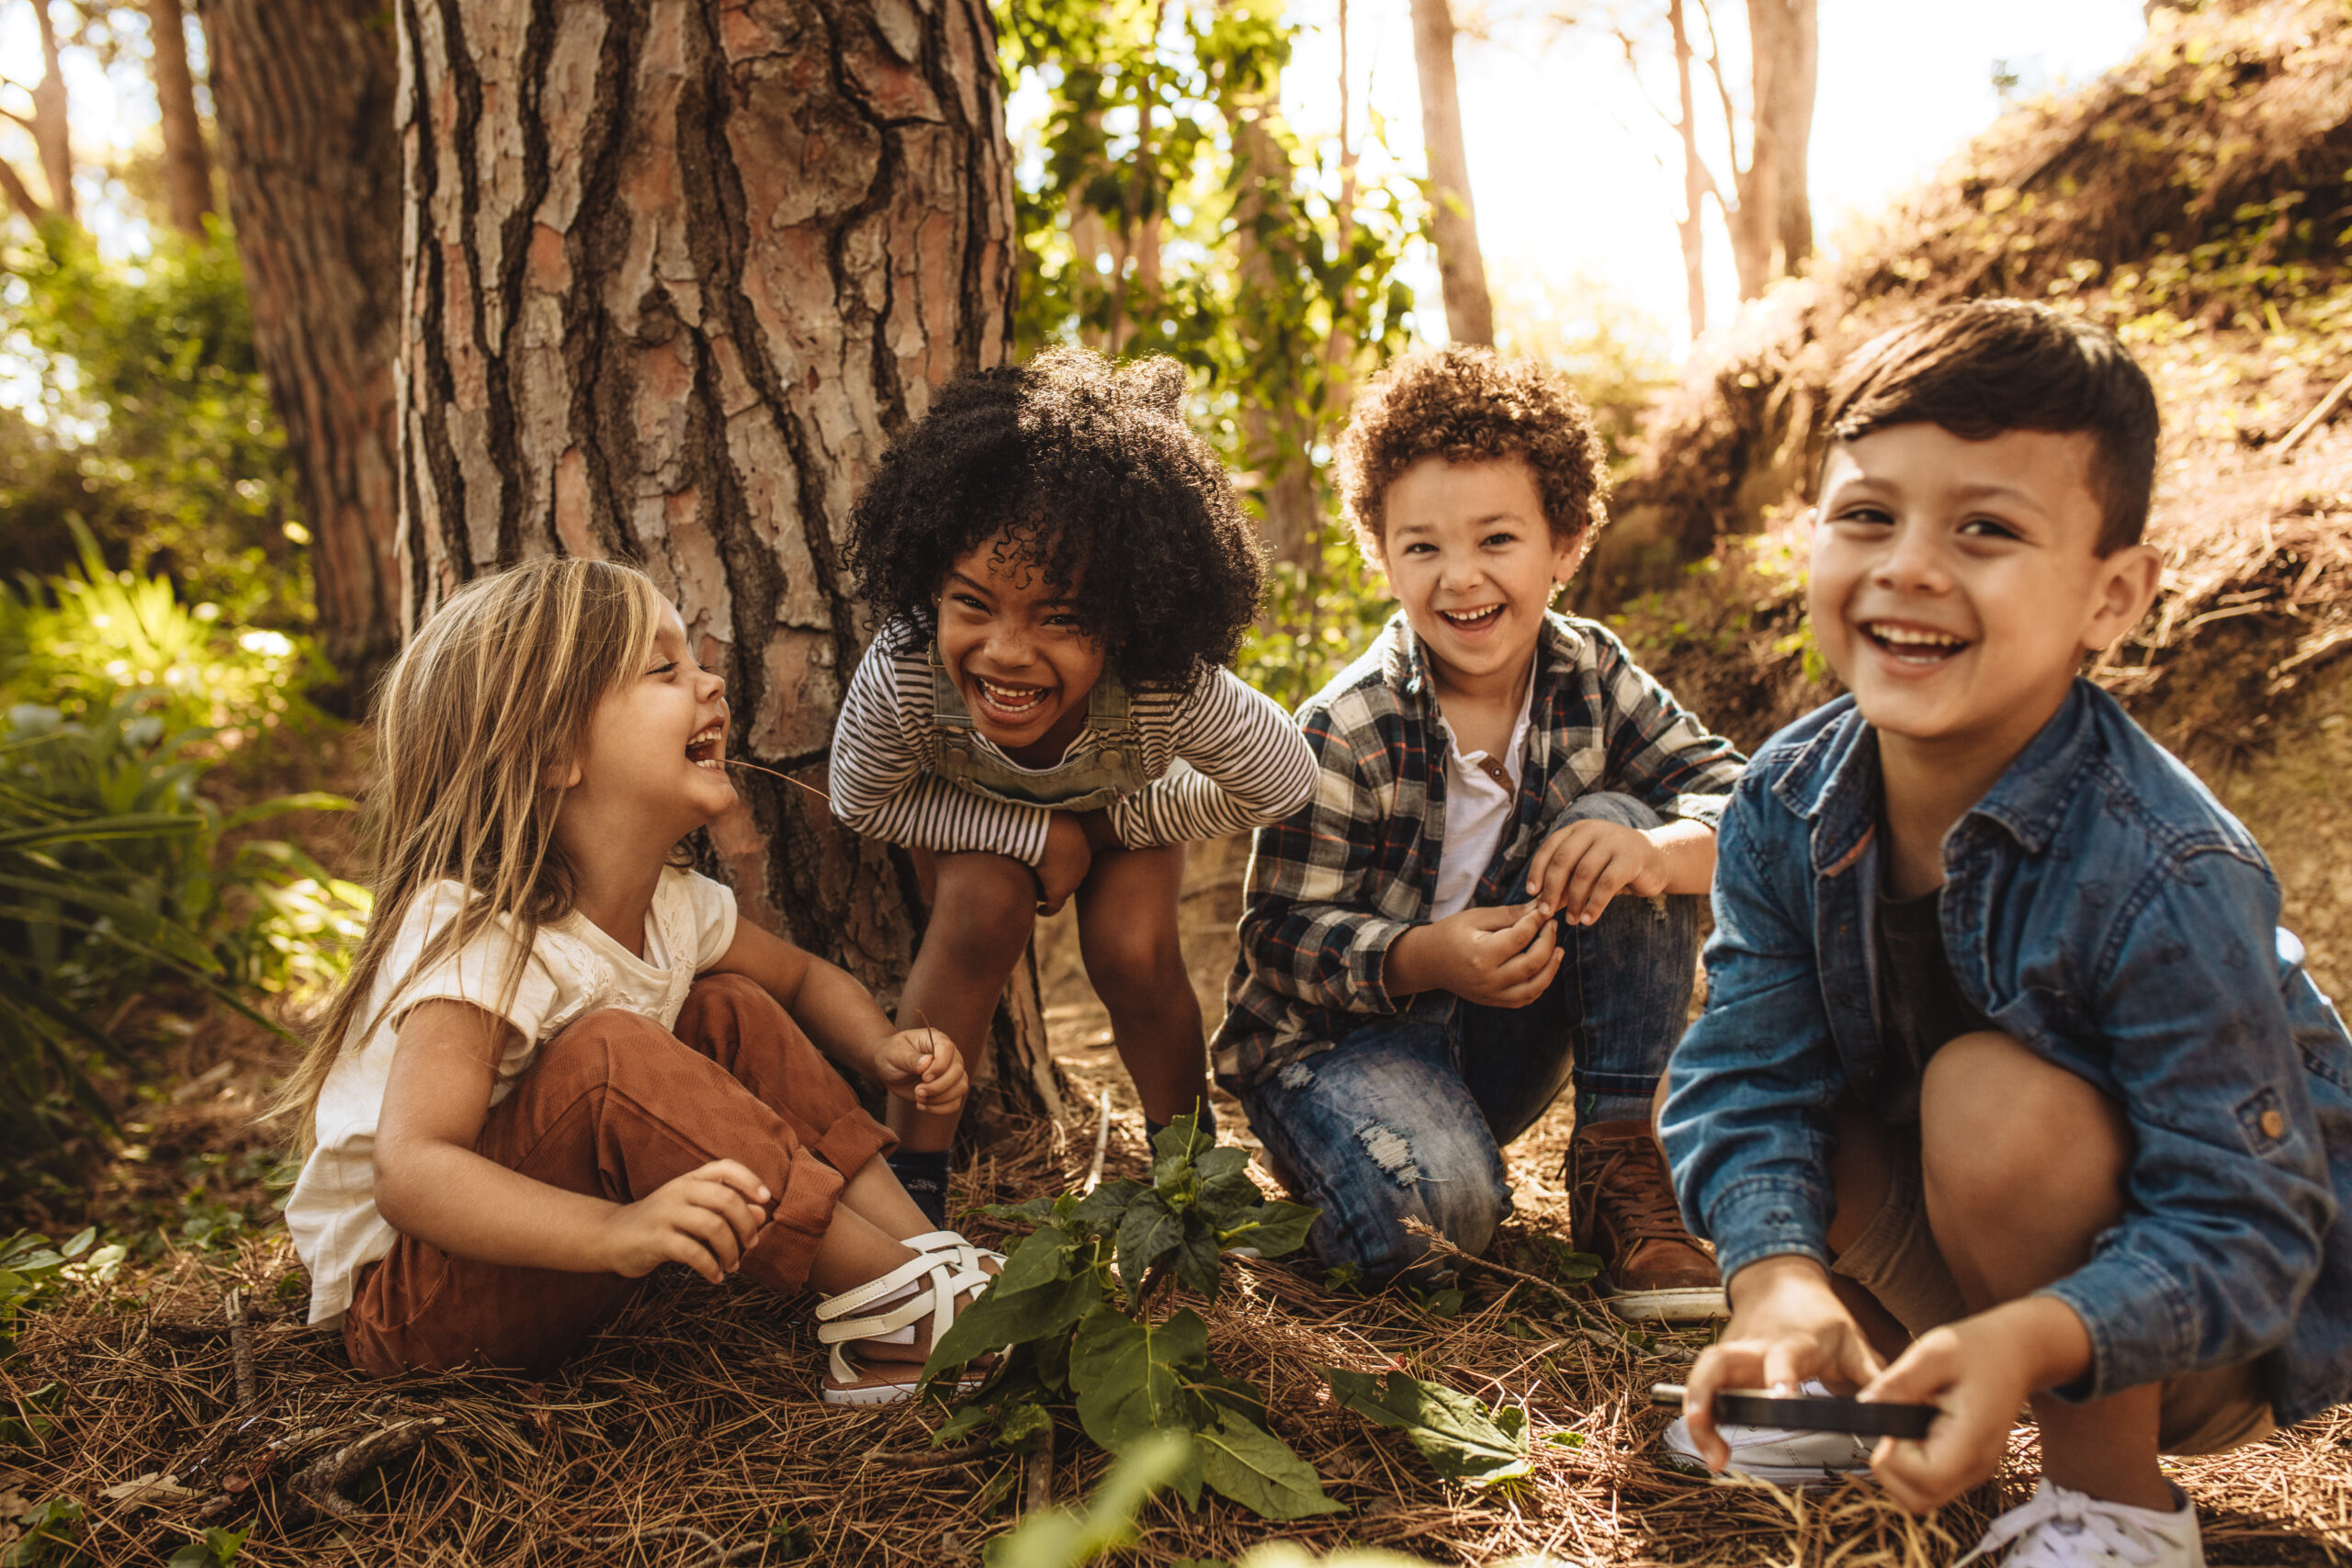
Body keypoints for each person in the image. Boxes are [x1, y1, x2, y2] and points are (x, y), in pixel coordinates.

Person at [1659, 300, 2351, 1563]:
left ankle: (2115, 1505)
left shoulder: (2164, 863)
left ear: (2114, 596)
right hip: (1972, 1252)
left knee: (1988, 1095)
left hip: (2192, 1317)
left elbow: (2246, 1222)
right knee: (1809, 1102)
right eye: (1869, 514)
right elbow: (1746, 1073)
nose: (1910, 565)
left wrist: (2029, 1337)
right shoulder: (1784, 798)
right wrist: (1778, 1281)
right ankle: (1845, 1379)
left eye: (1985, 528)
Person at [280, 558, 1000, 1405]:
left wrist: (878, 1046)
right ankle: (910, 1313)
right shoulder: (481, 930)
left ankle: (920, 1260)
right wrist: (615, 1231)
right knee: (613, 1053)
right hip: (417, 1306)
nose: (711, 683)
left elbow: (801, 980)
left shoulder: (675, 904)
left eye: (694, 662)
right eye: (665, 669)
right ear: (553, 750)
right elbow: (413, 1171)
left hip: (548, 1257)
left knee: (727, 1006)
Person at [1215, 346, 1747, 1314]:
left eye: (1497, 539)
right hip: (1337, 1055)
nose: (1460, 579)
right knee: (1435, 1226)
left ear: (1567, 543)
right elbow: (1278, 939)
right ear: (1380, 555)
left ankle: (1621, 1160)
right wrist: (1422, 957)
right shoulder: (1348, 725)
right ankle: (1389, 1176)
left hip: (1500, 1039)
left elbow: (1748, 804)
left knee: (1621, 827)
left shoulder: (1592, 673)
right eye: (1422, 547)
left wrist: (1660, 851)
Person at [829, 346, 1315, 1224]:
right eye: (972, 602)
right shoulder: (905, 670)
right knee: (980, 909)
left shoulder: (1165, 684)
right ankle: (912, 1202)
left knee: (1133, 951)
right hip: (975, 823)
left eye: (1061, 618)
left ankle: (1191, 1180)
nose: (1007, 650)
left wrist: (1118, 821)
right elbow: (860, 798)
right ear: (931, 584)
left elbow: (1281, 777)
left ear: (1127, 622)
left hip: (1123, 814)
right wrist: (1031, 835)